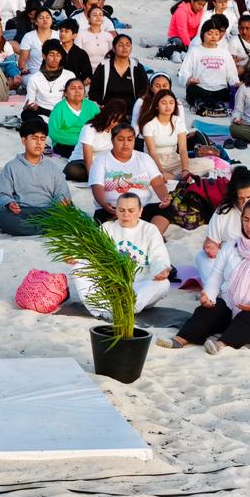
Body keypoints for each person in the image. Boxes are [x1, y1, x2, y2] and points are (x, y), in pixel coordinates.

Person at [160, 202, 250, 352]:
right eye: (246, 219)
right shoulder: (231, 246)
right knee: (207, 311)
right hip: (230, 303)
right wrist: (209, 297)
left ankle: (221, 345)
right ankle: (180, 340)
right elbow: (216, 276)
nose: (249, 225)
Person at [68, 192, 172, 321]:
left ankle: (125, 310)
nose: (126, 215)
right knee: (78, 268)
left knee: (163, 284)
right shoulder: (106, 228)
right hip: (111, 286)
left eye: (131, 210)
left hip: (139, 286)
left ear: (140, 211)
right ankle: (104, 311)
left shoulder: (150, 230)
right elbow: (90, 251)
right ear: (116, 211)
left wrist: (160, 270)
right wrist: (76, 257)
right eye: (121, 210)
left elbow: (159, 256)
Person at [0, 119, 72, 236]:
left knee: (77, 215)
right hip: (22, 212)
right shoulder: (11, 167)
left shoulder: (52, 167)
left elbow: (63, 194)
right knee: (1, 216)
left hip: (49, 211)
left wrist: (62, 203)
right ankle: (48, 228)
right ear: (24, 140)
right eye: (34, 138)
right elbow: (2, 195)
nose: (39, 143)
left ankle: (38, 228)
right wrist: (9, 203)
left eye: (42, 139)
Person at [89, 124, 173, 233]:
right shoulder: (100, 161)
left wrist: (164, 198)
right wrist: (104, 204)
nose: (125, 144)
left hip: (141, 209)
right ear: (112, 140)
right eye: (120, 139)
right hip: (114, 210)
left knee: (168, 208)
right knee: (105, 220)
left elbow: (157, 183)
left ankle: (153, 235)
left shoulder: (144, 158)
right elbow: (97, 187)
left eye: (130, 139)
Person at [141, 89, 213, 179]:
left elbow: (183, 149)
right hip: (154, 162)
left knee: (209, 164)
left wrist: (185, 170)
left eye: (171, 103)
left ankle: (172, 176)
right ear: (156, 106)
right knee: (150, 172)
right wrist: (162, 171)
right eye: (163, 103)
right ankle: (166, 176)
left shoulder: (177, 121)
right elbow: (152, 153)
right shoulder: (149, 125)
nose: (168, 106)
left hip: (173, 160)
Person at [180, 19, 239, 114]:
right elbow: (184, 72)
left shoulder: (224, 52)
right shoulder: (195, 50)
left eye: (216, 33)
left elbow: (231, 74)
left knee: (232, 93)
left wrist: (235, 82)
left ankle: (208, 105)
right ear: (203, 33)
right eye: (210, 33)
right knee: (191, 90)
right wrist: (189, 80)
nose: (213, 36)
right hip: (200, 89)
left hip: (219, 90)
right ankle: (201, 104)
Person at [89, 34, 148, 108]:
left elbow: (145, 90)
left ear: (131, 48)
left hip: (132, 111)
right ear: (113, 48)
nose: (125, 48)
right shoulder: (104, 66)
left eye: (128, 45)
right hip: (108, 110)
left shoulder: (137, 67)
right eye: (120, 45)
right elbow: (94, 91)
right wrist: (99, 106)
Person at [49, 78, 98, 158]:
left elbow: (101, 127)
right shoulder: (59, 108)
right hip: (65, 144)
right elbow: (54, 133)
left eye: (80, 88)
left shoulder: (92, 107)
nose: (77, 91)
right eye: (73, 88)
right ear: (65, 93)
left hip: (90, 144)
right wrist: (82, 141)